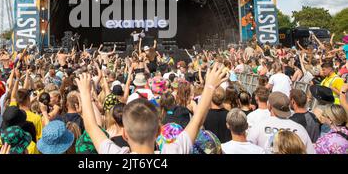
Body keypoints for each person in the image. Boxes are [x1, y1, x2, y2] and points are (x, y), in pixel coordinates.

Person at [75, 63, 228, 154]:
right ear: (158, 131)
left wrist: (85, 92)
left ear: (125, 134)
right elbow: (198, 119)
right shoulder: (174, 151)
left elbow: (91, 126)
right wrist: (210, 86)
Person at [247, 92, 315, 154]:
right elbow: (310, 152)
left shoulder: (259, 125)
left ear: (269, 106)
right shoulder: (299, 128)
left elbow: (248, 149)